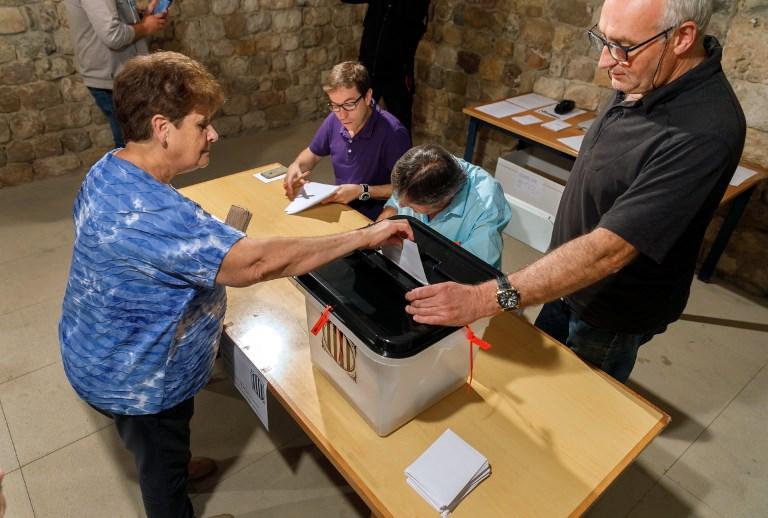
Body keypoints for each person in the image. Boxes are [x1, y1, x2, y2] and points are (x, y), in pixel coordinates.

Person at [58, 51, 413, 518]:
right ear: (163, 128)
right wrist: (363, 236)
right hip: (136, 378)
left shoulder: (109, 169)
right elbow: (257, 263)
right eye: (202, 124)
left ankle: (177, 464)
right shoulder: (150, 213)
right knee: (159, 470)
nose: (214, 134)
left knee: (167, 448)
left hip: (97, 347)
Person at [404, 0, 745, 383]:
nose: (604, 61)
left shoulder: (705, 133)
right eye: (603, 39)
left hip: (609, 309)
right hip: (566, 280)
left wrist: (484, 298)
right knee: (542, 371)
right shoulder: (645, 71)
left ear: (682, 38)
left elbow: (609, 251)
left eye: (623, 46)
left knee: (577, 400)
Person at [283, 61, 411, 220]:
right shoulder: (334, 120)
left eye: (349, 105)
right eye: (335, 105)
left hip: (374, 218)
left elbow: (408, 190)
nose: (341, 115)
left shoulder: (394, 133)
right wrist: (297, 165)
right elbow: (313, 154)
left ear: (367, 96)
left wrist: (361, 191)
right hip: (340, 209)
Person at [377, 144, 512, 269]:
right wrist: (381, 226)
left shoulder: (486, 205)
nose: (401, 204)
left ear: (444, 199)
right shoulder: (423, 167)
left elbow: (473, 270)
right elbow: (395, 203)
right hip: (409, 259)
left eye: (412, 205)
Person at [64, 0, 168, 148]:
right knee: (133, 145)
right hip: (114, 78)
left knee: (138, 141)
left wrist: (144, 16)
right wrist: (145, 27)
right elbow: (112, 35)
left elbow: (111, 18)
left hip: (121, 74)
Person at [341, 0, 430, 132]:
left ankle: (403, 152)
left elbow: (414, 25)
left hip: (397, 70)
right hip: (369, 66)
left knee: (401, 124)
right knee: (356, 119)